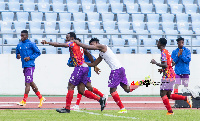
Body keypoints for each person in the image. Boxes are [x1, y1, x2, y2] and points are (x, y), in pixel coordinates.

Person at [72, 38, 143, 113]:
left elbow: (88, 47)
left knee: (112, 91)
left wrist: (78, 43)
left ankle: (122, 109)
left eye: (92, 44)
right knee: (127, 89)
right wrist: (82, 64)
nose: (92, 46)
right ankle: (144, 81)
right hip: (120, 69)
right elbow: (94, 64)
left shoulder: (103, 46)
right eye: (91, 45)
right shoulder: (101, 53)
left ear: (96, 42)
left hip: (116, 70)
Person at [41, 32, 106, 113]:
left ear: (72, 38)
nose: (66, 39)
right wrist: (94, 66)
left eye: (67, 37)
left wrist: (47, 42)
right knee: (81, 91)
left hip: (80, 67)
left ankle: (67, 108)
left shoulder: (72, 43)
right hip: (85, 67)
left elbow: (59, 44)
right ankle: (100, 99)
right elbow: (88, 54)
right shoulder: (81, 46)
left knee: (70, 86)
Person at [150, 38, 192, 115]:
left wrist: (155, 63)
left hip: (168, 76)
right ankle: (186, 98)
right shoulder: (167, 52)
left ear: (161, 44)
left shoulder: (163, 53)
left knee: (162, 93)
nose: (157, 44)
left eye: (158, 43)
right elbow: (169, 65)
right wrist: (162, 70)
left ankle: (170, 111)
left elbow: (165, 65)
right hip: (171, 74)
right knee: (168, 95)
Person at [68, 38, 107, 111]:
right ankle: (102, 98)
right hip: (82, 70)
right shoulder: (77, 50)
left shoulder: (82, 50)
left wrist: (95, 66)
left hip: (84, 70)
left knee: (82, 87)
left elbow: (91, 57)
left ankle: (77, 105)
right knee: (88, 87)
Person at [16, 30, 46, 108]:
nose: (21, 37)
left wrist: (30, 57)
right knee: (30, 82)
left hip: (30, 66)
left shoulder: (31, 44)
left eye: (23, 36)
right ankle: (40, 97)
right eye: (21, 36)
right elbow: (17, 54)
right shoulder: (19, 45)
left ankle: (24, 101)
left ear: (27, 36)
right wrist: (18, 56)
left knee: (27, 83)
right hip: (24, 66)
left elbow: (38, 52)